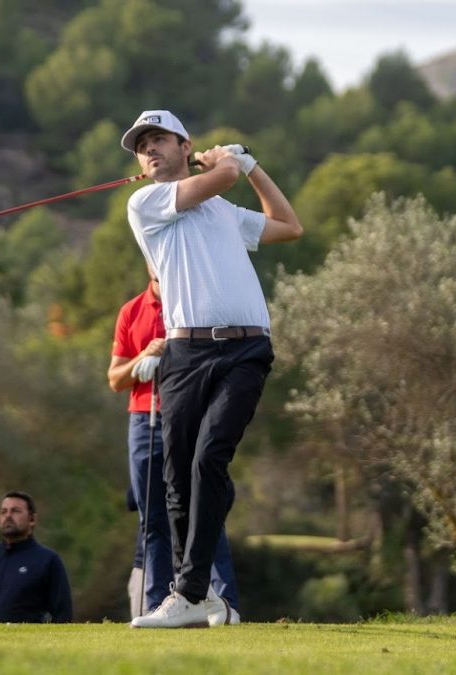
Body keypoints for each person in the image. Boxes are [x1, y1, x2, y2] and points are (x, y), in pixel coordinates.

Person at [120, 110, 302, 628]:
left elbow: (290, 226)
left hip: (245, 351)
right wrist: (228, 162)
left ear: (184, 145)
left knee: (208, 459)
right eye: (142, 146)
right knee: (178, 475)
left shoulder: (223, 210)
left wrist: (254, 167)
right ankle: (199, 597)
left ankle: (189, 592)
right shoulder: (145, 202)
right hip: (185, 354)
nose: (149, 150)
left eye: (159, 140)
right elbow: (220, 177)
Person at [109, 269, 241, 621]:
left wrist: (172, 350)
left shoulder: (194, 307)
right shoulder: (132, 311)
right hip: (144, 419)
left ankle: (224, 603)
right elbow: (115, 378)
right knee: (151, 519)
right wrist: (142, 358)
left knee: (203, 509)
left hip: (189, 414)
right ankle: (159, 604)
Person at [0, 491, 73, 623]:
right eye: (3, 512)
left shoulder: (47, 560)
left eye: (15, 511)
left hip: (25, 642)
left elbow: (62, 613)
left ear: (32, 519)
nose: (8, 516)